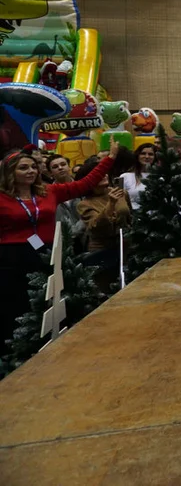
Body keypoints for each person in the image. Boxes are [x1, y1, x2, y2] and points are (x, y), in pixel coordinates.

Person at [0, 141, 118, 358]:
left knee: (50, 303)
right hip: (11, 259)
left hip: (46, 254)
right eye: (23, 168)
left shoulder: (49, 192)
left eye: (33, 167)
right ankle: (15, 355)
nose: (31, 171)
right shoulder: (2, 197)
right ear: (10, 172)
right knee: (16, 307)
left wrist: (109, 159)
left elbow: (85, 183)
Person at [75, 156, 132, 289]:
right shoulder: (84, 204)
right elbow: (96, 226)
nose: (104, 175)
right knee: (105, 287)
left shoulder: (121, 193)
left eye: (104, 172)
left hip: (125, 246)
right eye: (98, 174)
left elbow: (130, 216)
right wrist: (111, 204)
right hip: (103, 249)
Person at [121, 143, 157, 209]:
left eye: (150, 154)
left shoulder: (159, 177)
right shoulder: (125, 176)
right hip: (132, 215)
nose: (147, 157)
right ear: (137, 156)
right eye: (143, 153)